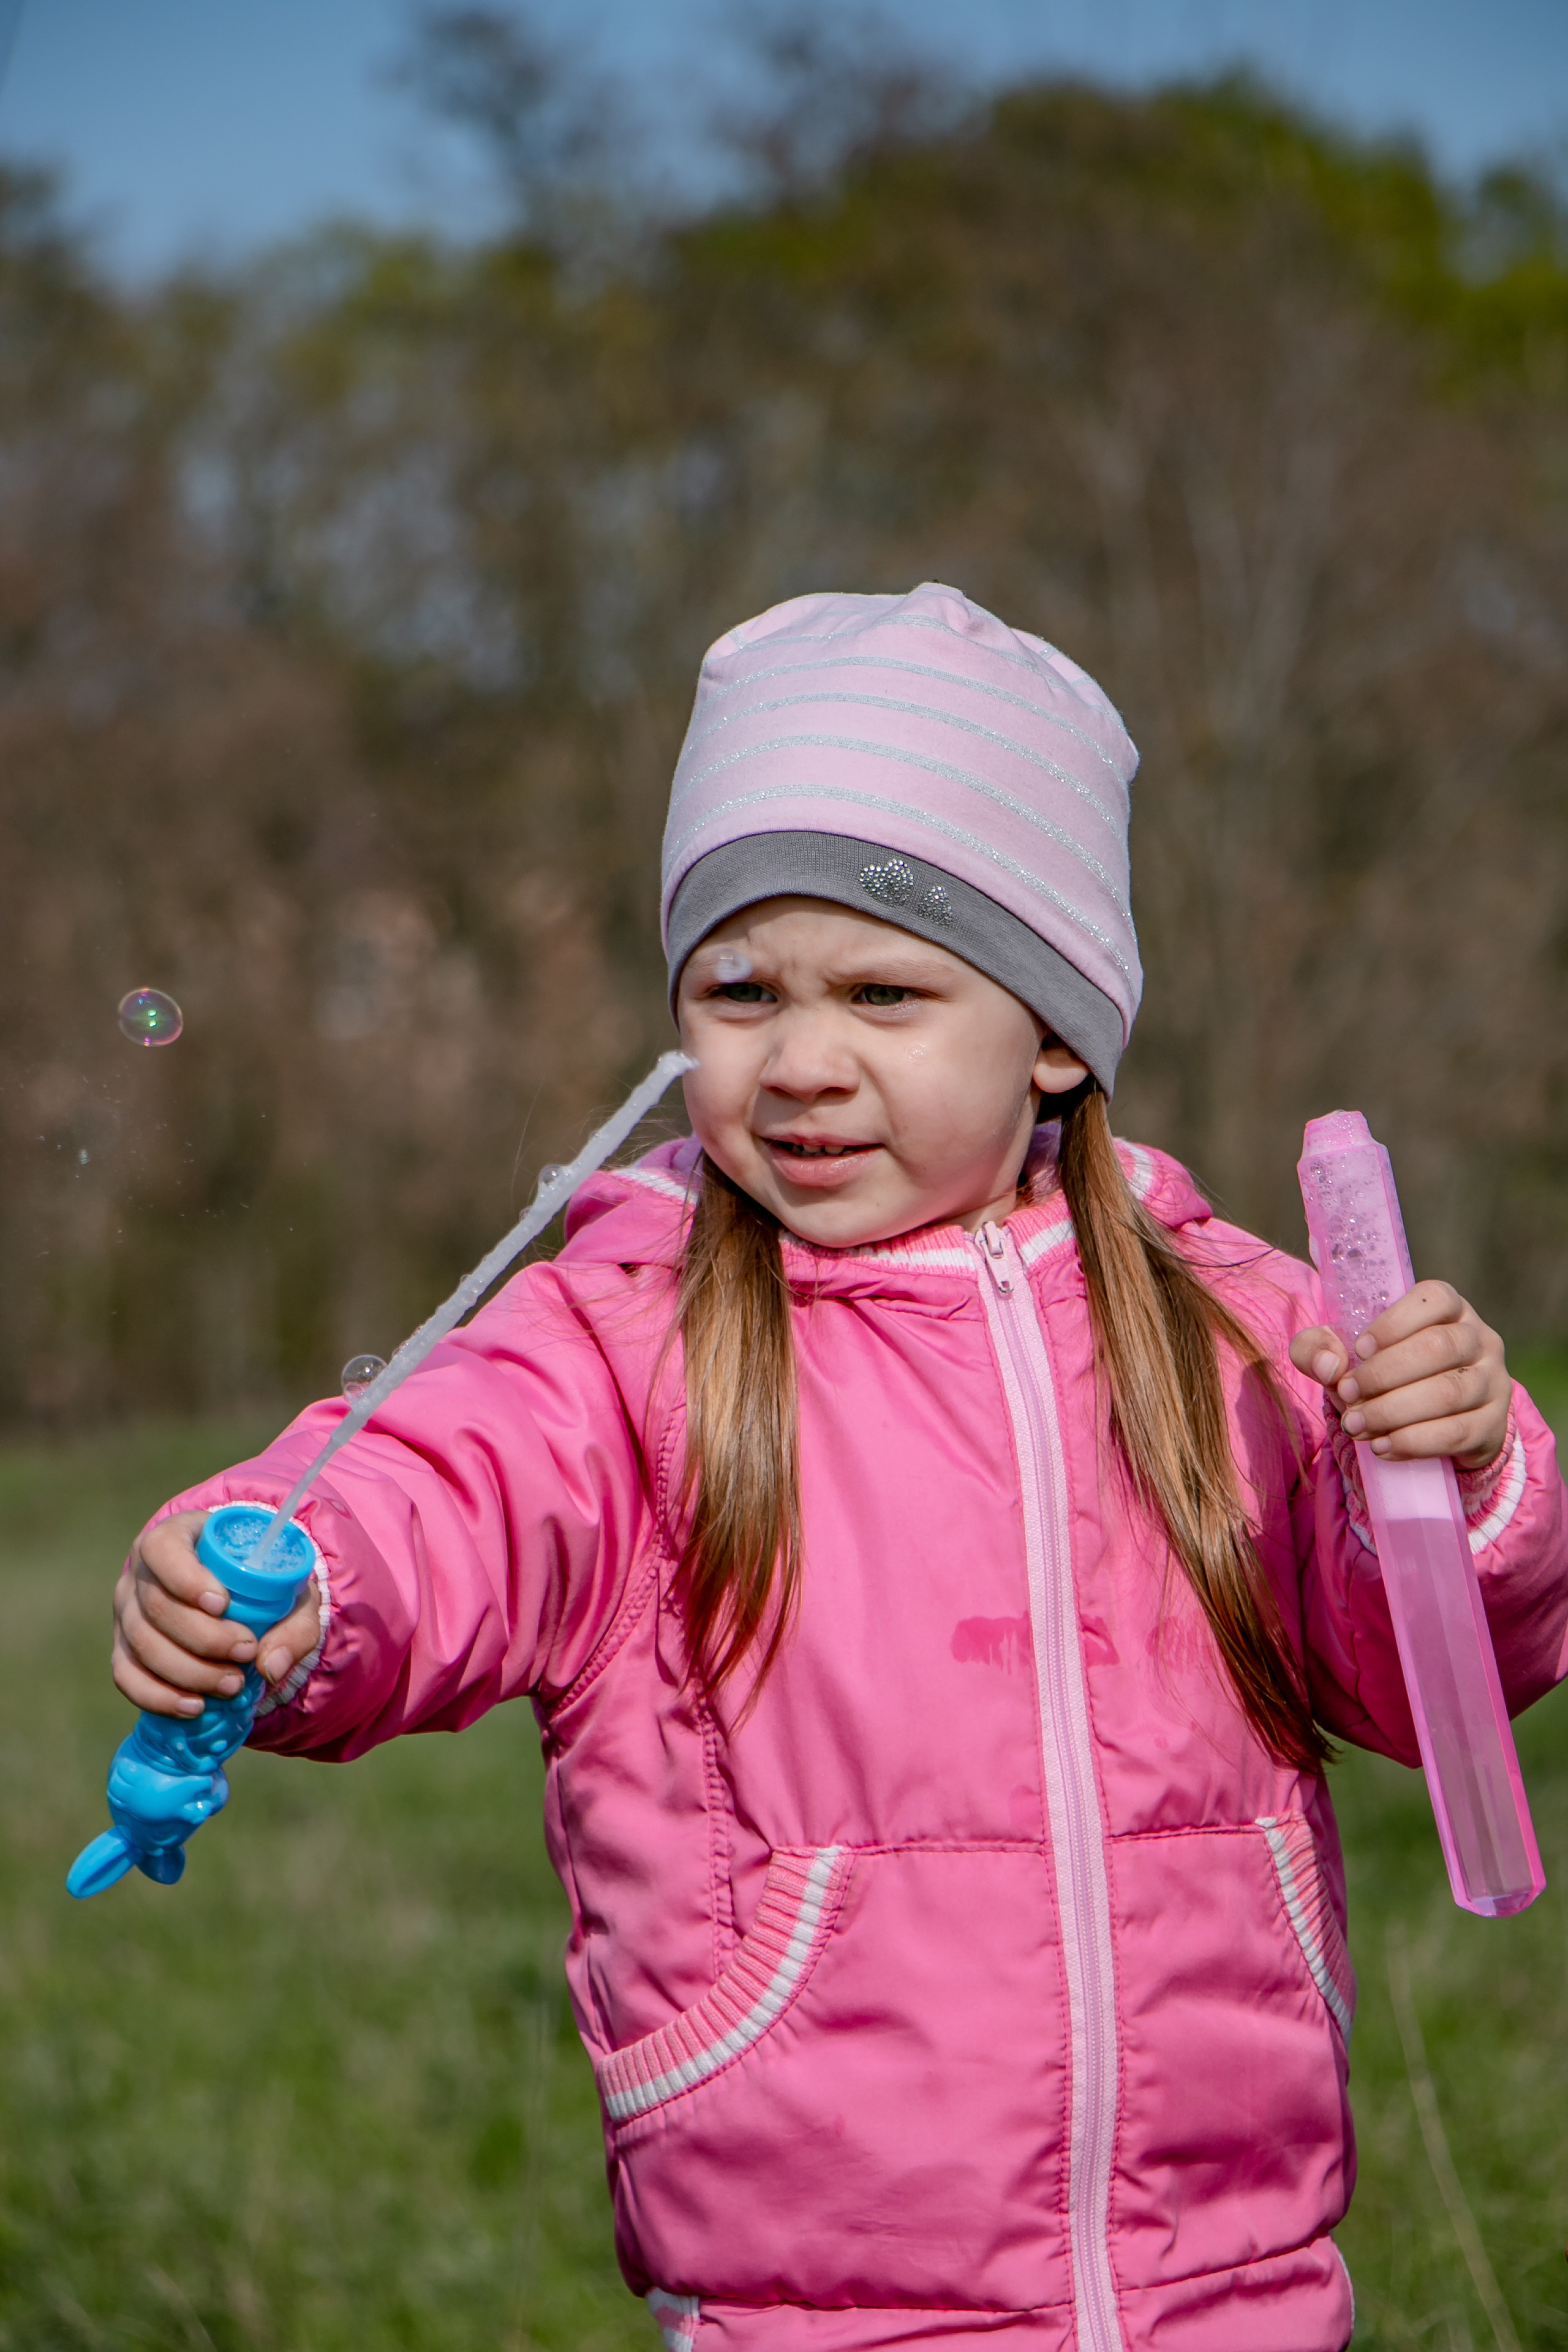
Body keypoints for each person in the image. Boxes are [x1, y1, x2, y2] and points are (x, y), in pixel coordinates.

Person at [111, 584, 1567, 2352]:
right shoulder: (628, 1335)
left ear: (1050, 1032)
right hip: (815, 2288)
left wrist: (1461, 1478)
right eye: (740, 989)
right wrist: (289, 1576)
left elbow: (1436, 1680)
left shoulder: (1241, 1330)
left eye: (884, 991)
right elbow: (445, 1488)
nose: (800, 1060)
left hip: (1236, 2275)